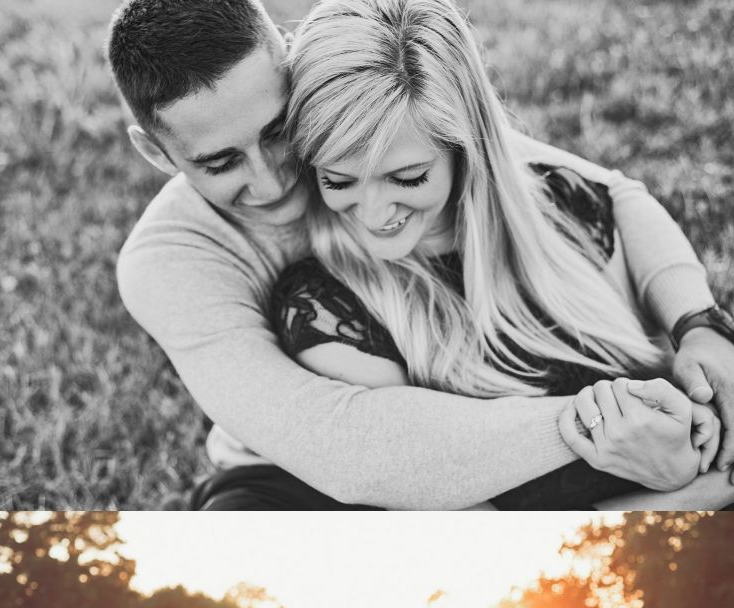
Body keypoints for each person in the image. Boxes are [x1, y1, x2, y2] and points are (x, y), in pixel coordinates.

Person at [107, 0, 734, 509]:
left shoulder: (369, 125)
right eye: (219, 163)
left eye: (279, 133)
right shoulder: (168, 261)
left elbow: (608, 190)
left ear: (293, 70)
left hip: (464, 404)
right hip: (293, 471)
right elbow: (346, 444)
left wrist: (701, 327)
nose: (274, 184)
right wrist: (604, 426)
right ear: (157, 153)